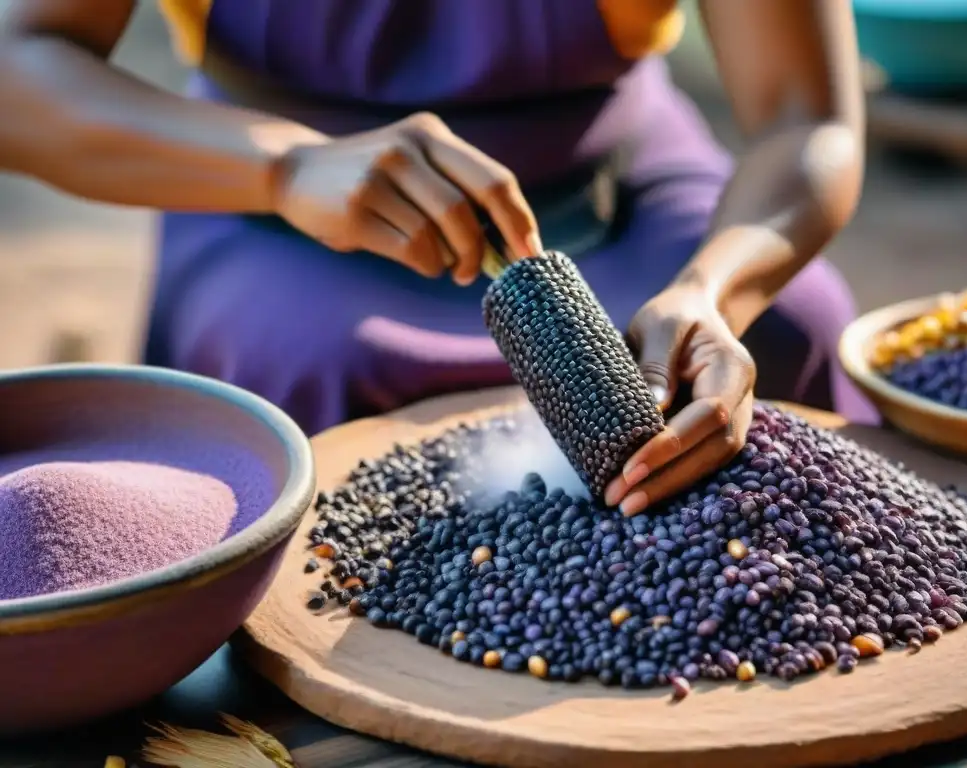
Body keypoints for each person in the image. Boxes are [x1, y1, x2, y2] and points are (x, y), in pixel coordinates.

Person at [0, 0, 874, 517]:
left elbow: (809, 119)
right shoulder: (279, 169)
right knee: (312, 369)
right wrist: (284, 164)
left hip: (608, 170)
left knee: (794, 324)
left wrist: (711, 288)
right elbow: (19, 66)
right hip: (269, 186)